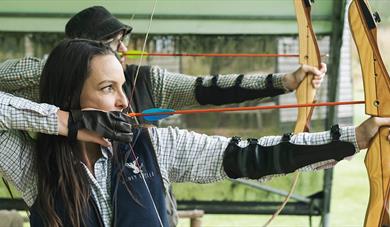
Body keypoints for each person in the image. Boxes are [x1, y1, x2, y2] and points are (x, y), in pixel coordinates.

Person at [1, 38, 388, 227]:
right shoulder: (34, 164)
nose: (123, 101)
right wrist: (68, 123)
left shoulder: (154, 144)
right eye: (107, 89)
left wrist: (352, 138)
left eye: (123, 86)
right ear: (69, 95)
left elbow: (249, 155)